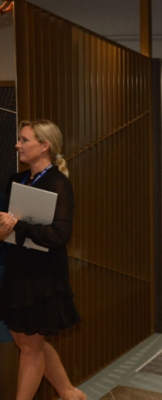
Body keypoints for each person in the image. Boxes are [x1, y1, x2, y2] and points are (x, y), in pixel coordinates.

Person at [0, 120, 86, 400]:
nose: (18, 145)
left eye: (24, 140)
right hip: (17, 271)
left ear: (44, 146)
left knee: (30, 346)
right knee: (25, 340)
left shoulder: (59, 184)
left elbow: (60, 235)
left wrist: (20, 226)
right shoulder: (17, 180)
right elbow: (8, 225)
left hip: (43, 278)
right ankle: (70, 393)